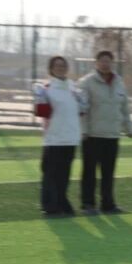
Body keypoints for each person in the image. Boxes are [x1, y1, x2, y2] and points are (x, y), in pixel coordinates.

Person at [77, 50, 132, 214]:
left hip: (112, 134)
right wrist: (84, 130)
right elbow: (82, 109)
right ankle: (88, 203)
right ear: (96, 63)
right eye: (102, 61)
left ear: (112, 63)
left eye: (108, 61)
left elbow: (124, 107)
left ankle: (108, 204)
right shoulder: (86, 82)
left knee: (108, 172)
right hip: (93, 135)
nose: (105, 64)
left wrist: (129, 128)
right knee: (89, 171)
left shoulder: (119, 82)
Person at [33, 55, 87, 216]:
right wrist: (40, 99)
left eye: (63, 65)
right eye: (57, 66)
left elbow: (81, 111)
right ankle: (50, 206)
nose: (61, 68)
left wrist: (83, 102)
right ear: (51, 69)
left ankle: (62, 202)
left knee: (64, 175)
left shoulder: (73, 88)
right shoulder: (47, 88)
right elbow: (42, 112)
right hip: (54, 138)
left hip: (70, 138)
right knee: (50, 174)